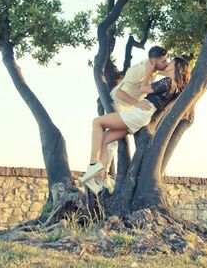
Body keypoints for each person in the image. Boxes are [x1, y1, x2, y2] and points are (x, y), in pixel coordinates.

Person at [78, 57, 190, 195]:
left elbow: (143, 89)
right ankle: (98, 180)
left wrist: (148, 71)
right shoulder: (173, 86)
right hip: (142, 116)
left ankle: (93, 163)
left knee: (97, 122)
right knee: (106, 139)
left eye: (171, 61)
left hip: (140, 113)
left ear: (176, 67)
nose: (168, 63)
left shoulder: (168, 81)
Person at [100, 46, 169, 191]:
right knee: (111, 141)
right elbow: (119, 94)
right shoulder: (138, 71)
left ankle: (106, 176)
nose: (166, 63)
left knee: (117, 140)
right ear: (154, 61)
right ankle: (102, 177)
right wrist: (137, 103)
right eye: (164, 61)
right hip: (119, 103)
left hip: (131, 107)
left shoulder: (152, 69)